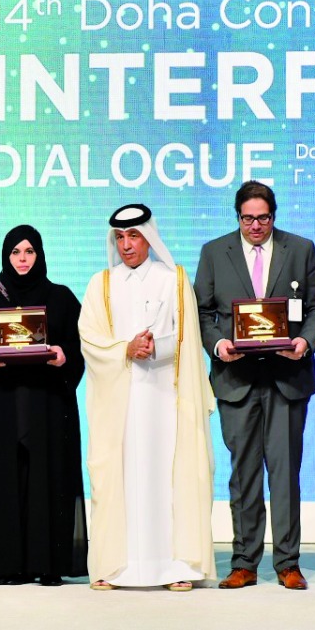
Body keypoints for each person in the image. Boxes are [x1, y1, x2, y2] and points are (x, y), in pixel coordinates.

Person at [194, 180, 315, 591]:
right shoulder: (215, 252)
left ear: (275, 215)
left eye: (264, 218)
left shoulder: (300, 249)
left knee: (285, 474)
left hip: (287, 378)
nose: (256, 226)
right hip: (236, 379)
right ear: (237, 217)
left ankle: (288, 562)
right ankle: (244, 563)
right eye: (248, 218)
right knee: (244, 475)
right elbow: (202, 312)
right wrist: (218, 344)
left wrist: (305, 342)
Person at [78, 204, 216, 592]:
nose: (126, 245)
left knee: (165, 478)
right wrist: (125, 348)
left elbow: (187, 340)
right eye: (119, 238)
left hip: (163, 400)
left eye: (133, 236)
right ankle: (115, 566)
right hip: (118, 400)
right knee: (117, 478)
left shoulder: (173, 279)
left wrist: (154, 346)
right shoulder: (100, 284)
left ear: (149, 238)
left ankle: (174, 567)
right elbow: (90, 339)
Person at [0, 225, 87, 586]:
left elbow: (81, 348)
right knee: (6, 477)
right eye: (15, 252)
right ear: (6, 256)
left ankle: (49, 563)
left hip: (48, 405)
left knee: (50, 478)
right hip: (3, 407)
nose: (22, 259)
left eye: (29, 251)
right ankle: (8, 564)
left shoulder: (61, 299)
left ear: (40, 255)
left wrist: (65, 356)